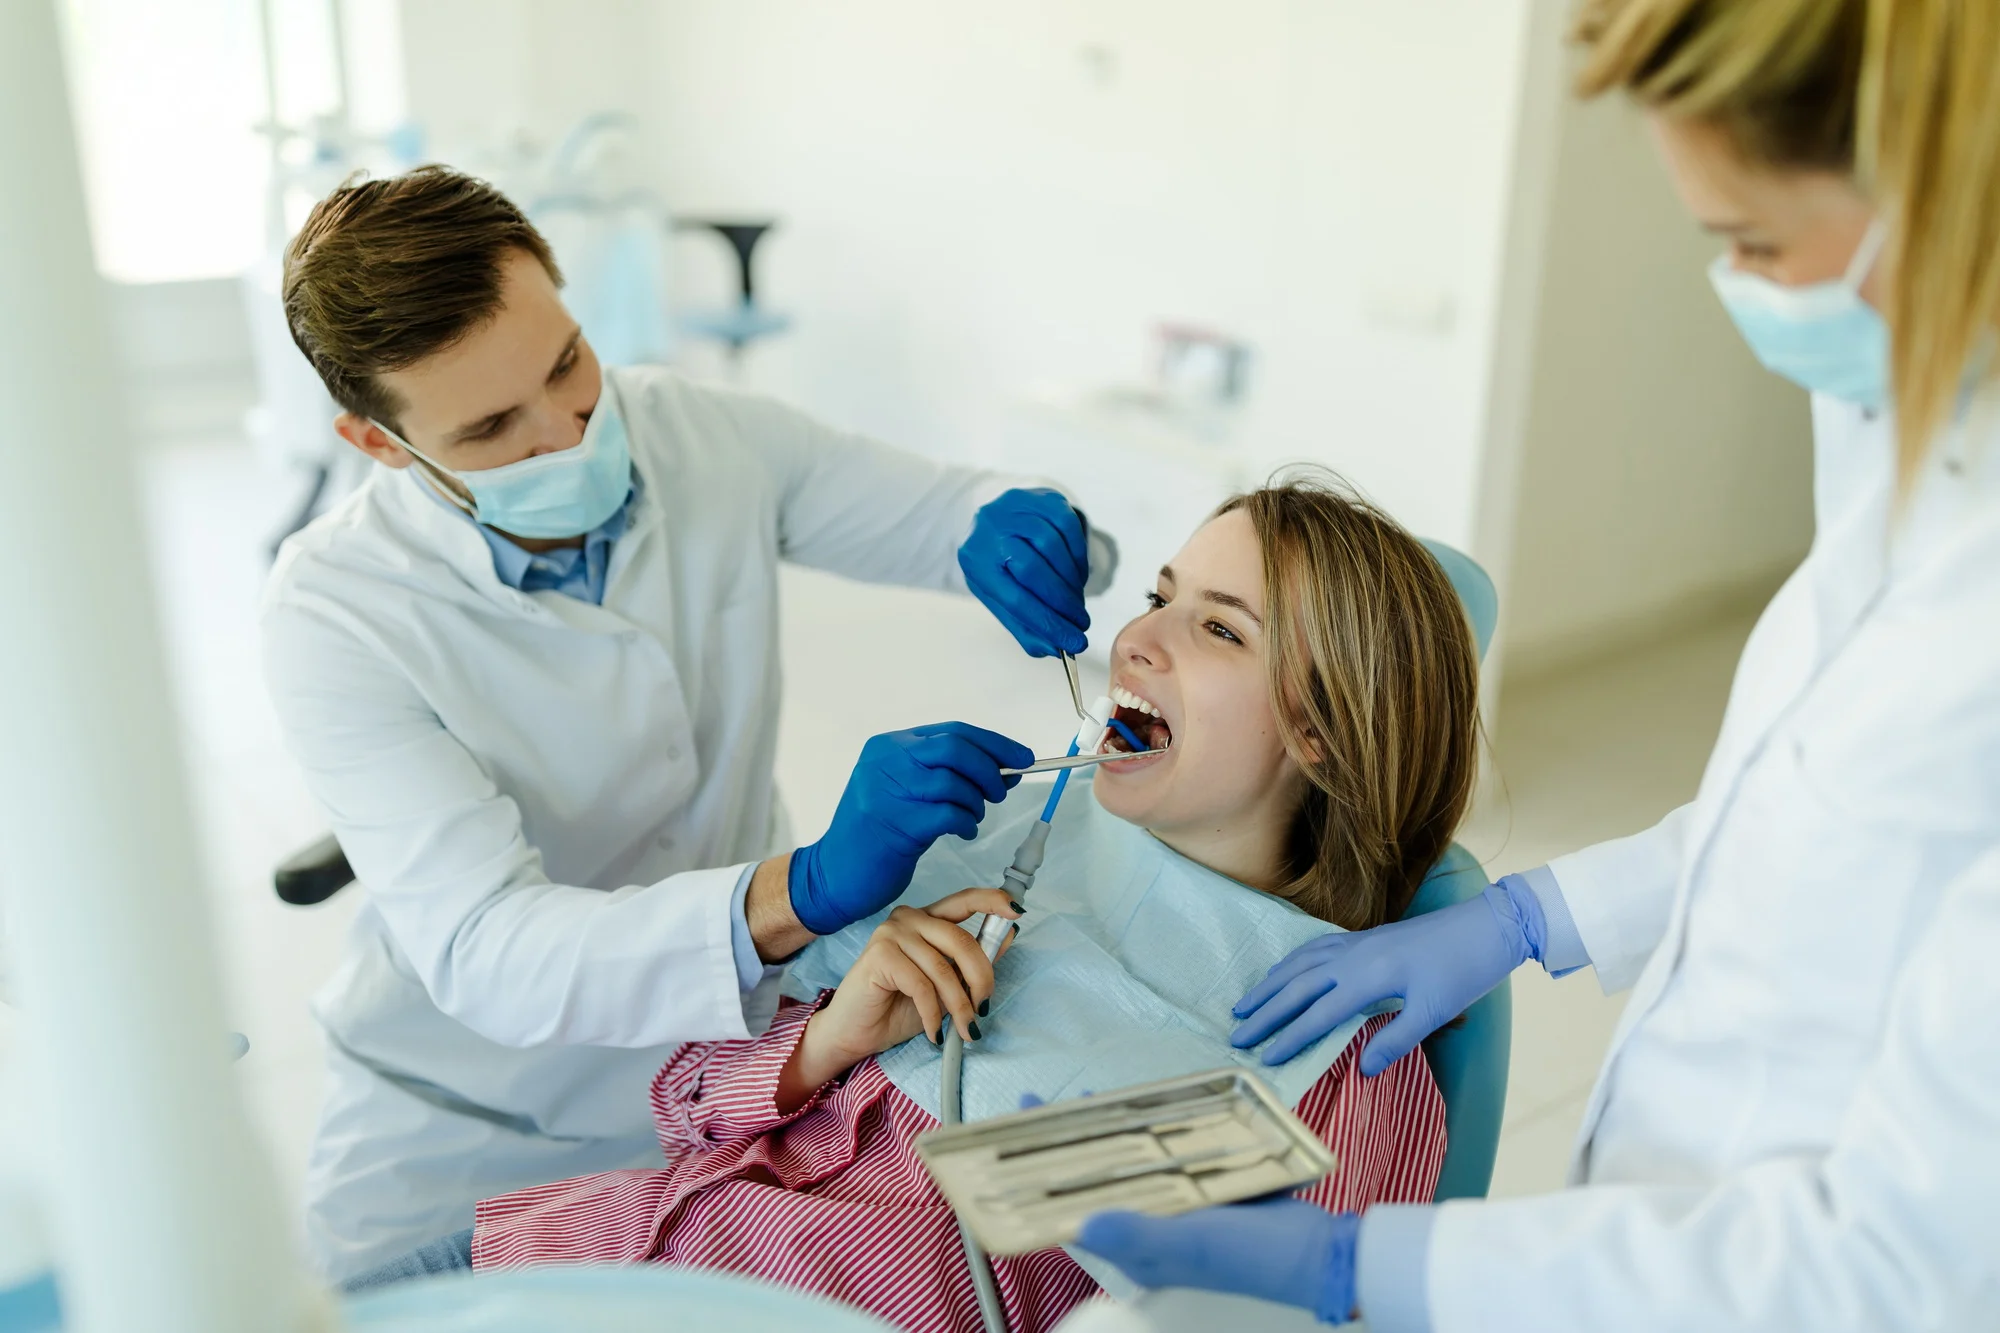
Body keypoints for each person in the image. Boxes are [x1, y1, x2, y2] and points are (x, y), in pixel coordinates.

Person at [1074, 1, 2000, 1328]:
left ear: (1952, 198)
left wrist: (1365, 1265)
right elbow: (1811, 830)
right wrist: (1531, 922)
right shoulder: (1915, 450)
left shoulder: (1348, 1096)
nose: (1739, 287)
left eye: (1756, 241)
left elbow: (1907, 1270)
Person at [341, 475, 1484, 1333]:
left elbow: (1319, 1306)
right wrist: (830, 1037)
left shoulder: (1336, 1058)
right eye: (1158, 597)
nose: (1135, 637)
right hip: (594, 1252)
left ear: (1321, 733)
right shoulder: (979, 848)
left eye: (1218, 627)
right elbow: (683, 1104)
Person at [262, 165, 1121, 1281]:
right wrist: (799, 889)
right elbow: (488, 951)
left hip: (728, 1075)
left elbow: (960, 516)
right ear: (378, 442)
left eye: (566, 362)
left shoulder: (700, 434)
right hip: (462, 1118)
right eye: (490, 427)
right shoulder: (335, 612)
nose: (566, 430)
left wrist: (1027, 528)